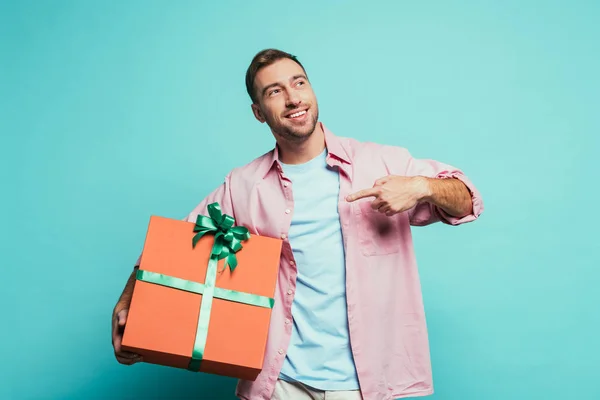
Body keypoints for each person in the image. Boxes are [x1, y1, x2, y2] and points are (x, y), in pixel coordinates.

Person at [112, 48, 484, 400]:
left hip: (362, 384)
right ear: (259, 112)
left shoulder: (381, 163)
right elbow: (178, 243)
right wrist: (129, 300)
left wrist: (419, 187)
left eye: (299, 82)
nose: (293, 98)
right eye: (275, 91)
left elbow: (468, 199)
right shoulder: (243, 185)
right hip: (279, 383)